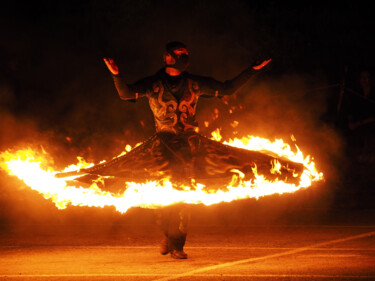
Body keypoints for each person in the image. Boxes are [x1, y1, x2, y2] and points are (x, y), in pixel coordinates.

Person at [61, 41, 302, 260]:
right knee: (163, 195)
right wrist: (116, 75)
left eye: (186, 53)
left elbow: (228, 89)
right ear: (168, 58)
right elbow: (125, 94)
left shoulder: (195, 83)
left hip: (189, 145)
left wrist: (253, 69)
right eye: (179, 53)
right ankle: (168, 233)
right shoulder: (152, 84)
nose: (184, 56)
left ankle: (177, 245)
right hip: (163, 146)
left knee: (184, 194)